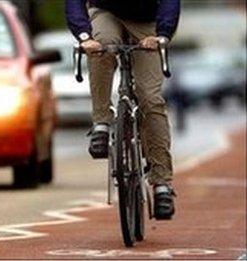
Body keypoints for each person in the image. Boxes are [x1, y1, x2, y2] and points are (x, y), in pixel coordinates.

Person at [65, 0, 180, 219]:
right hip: (107, 13)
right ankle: (101, 122)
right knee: (102, 45)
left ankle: (162, 184)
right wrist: (84, 36)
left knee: (150, 98)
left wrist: (162, 35)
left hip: (147, 20)